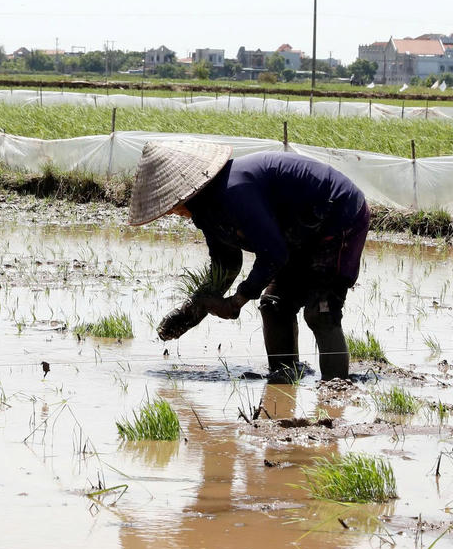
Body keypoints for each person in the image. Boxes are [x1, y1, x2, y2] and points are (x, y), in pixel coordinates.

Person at [128, 140, 370, 381]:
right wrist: (191, 311)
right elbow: (226, 263)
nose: (172, 211)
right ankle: (284, 378)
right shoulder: (206, 210)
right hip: (299, 230)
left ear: (189, 192)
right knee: (274, 304)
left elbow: (273, 253)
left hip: (338, 216)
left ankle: (335, 387)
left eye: (172, 204)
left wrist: (237, 300)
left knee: (321, 310)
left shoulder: (234, 191)